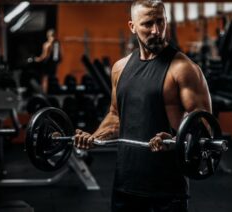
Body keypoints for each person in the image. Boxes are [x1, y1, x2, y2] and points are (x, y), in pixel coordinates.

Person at [74, 1, 211, 211]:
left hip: (166, 189)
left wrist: (174, 140)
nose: (156, 31)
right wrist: (94, 138)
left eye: (160, 22)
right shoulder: (120, 68)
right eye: (147, 24)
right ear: (132, 26)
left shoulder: (183, 68)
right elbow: (115, 116)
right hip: (125, 184)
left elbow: (204, 126)